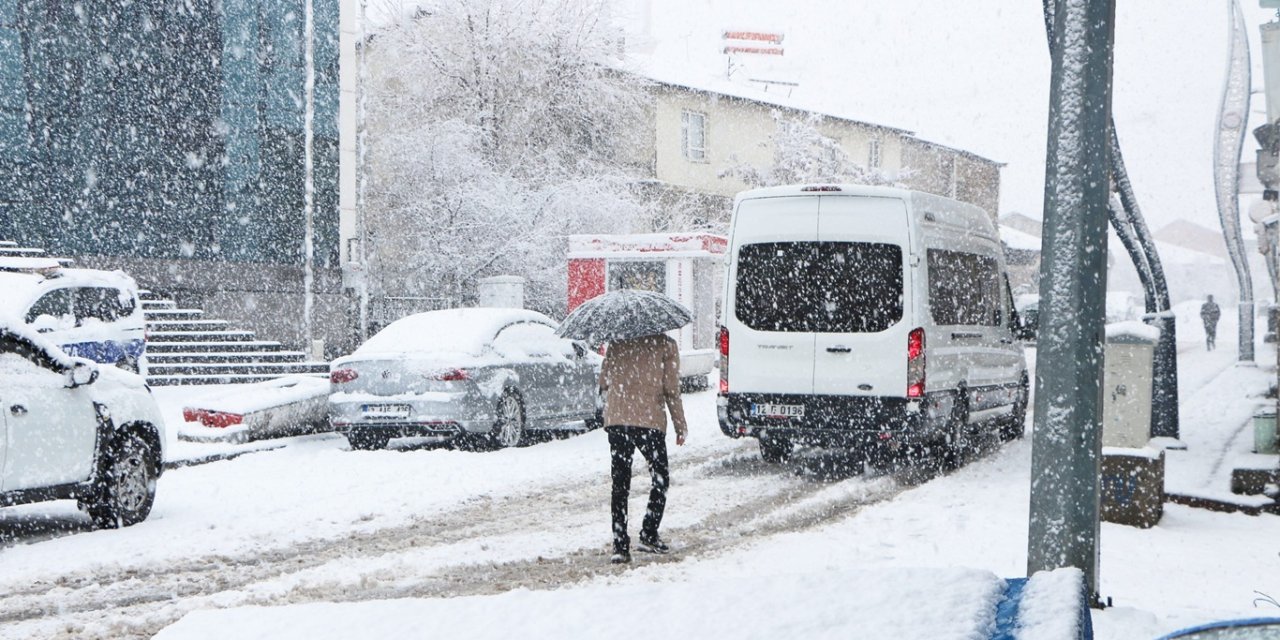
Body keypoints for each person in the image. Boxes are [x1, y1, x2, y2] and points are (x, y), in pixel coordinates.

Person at [598, 332, 688, 564]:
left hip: (618, 422)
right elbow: (671, 389)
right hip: (649, 422)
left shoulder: (618, 342)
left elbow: (604, 382)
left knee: (620, 485)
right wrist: (680, 425)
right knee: (660, 478)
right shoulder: (666, 344)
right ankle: (649, 532)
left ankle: (620, 545)